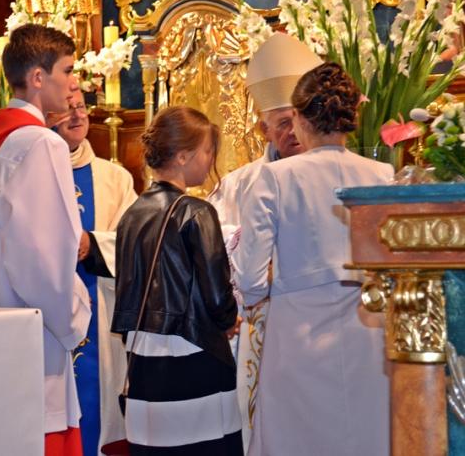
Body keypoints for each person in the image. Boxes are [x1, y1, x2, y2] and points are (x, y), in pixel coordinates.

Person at [232, 63, 392, 456]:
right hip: (368, 330)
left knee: (297, 439)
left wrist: (261, 292)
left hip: (297, 334)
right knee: (367, 433)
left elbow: (250, 278)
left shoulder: (276, 177)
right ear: (350, 118)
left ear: (301, 118)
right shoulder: (382, 173)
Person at [0, 24, 91, 456]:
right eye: (67, 70)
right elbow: (43, 257)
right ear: (37, 77)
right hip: (33, 338)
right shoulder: (40, 144)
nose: (73, 82)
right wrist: (75, 313)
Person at [207, 32, 322, 453]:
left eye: (299, 119)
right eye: (282, 123)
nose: (294, 131)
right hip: (259, 328)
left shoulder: (332, 175)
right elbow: (213, 252)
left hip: (318, 325)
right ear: (263, 129)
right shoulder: (239, 185)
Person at [112, 106, 243, 455]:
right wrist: (229, 319)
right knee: (203, 445)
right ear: (183, 156)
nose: (211, 160)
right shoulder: (196, 211)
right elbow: (217, 293)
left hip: (143, 353)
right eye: (207, 151)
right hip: (191, 351)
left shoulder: (132, 214)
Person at [51, 89, 137, 455]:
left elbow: (133, 239)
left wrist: (93, 243)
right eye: (67, 109)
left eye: (81, 107)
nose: (77, 115)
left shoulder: (114, 177)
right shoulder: (32, 172)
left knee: (97, 407)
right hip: (48, 310)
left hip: (98, 306)